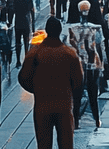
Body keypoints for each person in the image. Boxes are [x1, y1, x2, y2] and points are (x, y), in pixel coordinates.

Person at [19, 17, 83, 149]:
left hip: (42, 106)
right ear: (60, 31)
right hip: (64, 106)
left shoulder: (35, 53)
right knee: (66, 144)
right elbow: (78, 82)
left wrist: (36, 89)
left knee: (43, 144)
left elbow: (23, 78)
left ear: (47, 31)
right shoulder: (69, 54)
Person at [64, 1, 105, 129]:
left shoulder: (72, 29)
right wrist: (103, 66)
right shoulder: (96, 28)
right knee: (93, 95)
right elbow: (100, 47)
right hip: (93, 64)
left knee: (76, 95)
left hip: (78, 64)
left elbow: (68, 48)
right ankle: (97, 119)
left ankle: (75, 122)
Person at [10, 0, 35, 67]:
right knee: (26, 41)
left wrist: (9, 22)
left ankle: (18, 61)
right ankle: (27, 58)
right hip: (26, 21)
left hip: (18, 22)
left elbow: (13, 11)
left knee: (18, 42)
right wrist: (33, 26)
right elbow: (32, 12)